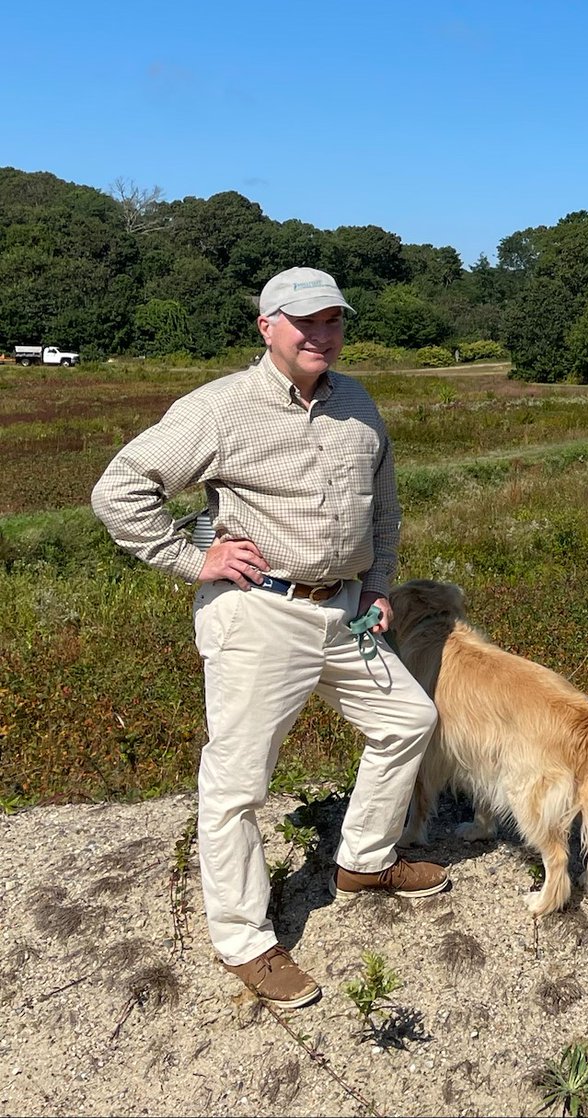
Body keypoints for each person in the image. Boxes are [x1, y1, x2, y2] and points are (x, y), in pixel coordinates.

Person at [92, 267, 449, 1009]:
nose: (321, 335)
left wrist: (377, 585)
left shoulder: (357, 402)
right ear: (268, 327)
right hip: (259, 611)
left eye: (332, 320)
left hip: (344, 610)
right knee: (239, 782)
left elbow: (383, 507)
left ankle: (363, 861)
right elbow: (119, 490)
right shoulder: (221, 407)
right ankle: (244, 940)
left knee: (408, 719)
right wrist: (195, 559)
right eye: (304, 321)